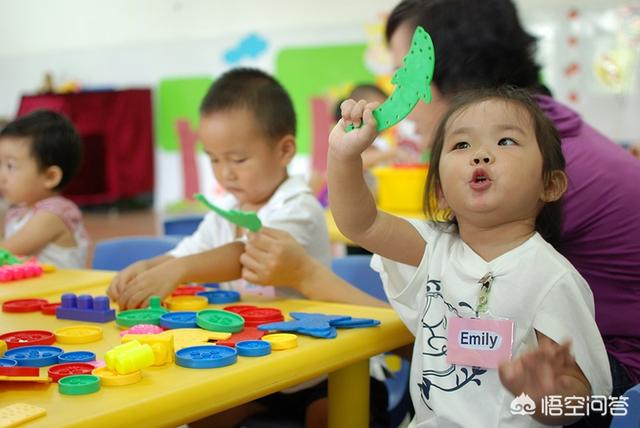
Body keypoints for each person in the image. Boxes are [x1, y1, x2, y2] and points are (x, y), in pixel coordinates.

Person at [385, 0, 640, 403]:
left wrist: (312, 278)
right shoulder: (540, 139)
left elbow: (451, 314)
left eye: (405, 75)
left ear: (447, 72)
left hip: (607, 373)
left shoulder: (525, 177)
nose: (400, 97)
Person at [328, 86, 612, 427]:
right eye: (462, 145)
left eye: (505, 141)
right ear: (440, 191)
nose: (480, 155)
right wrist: (343, 155)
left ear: (549, 185)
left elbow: (581, 396)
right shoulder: (432, 248)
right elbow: (361, 223)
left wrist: (548, 396)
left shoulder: (551, 278)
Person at [107, 68, 331, 310]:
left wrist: (177, 270)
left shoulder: (298, 206)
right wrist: (151, 268)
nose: (225, 174)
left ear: (285, 150)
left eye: (238, 160)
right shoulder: (228, 208)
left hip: (306, 332)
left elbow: (248, 255)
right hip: (254, 337)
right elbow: (191, 251)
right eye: (214, 159)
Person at [0, 110, 88, 268]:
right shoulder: (17, 212)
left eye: (10, 166)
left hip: (60, 292)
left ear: (50, 177)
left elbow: (6, 251)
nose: (1, 176)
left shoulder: (52, 214)